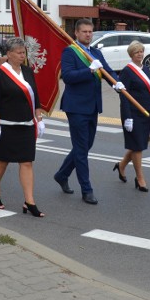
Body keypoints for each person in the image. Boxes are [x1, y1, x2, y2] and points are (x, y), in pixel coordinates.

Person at [53, 18, 123, 205]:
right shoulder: (70, 52)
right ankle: (87, 189)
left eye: (90, 31)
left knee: (84, 146)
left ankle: (62, 174)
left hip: (92, 106)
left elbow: (108, 71)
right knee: (82, 149)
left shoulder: (96, 52)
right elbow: (67, 76)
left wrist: (117, 83)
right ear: (76, 33)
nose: (88, 34)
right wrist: (89, 71)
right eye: (84, 31)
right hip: (75, 107)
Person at [0, 37, 45, 217]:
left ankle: (29, 201)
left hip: (26, 124)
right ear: (9, 54)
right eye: (19, 53)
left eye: (24, 52)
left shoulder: (27, 71)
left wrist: (39, 117)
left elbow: (35, 95)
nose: (23, 55)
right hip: (6, 125)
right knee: (2, 161)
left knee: (26, 162)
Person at [114, 41, 150, 193]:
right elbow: (123, 95)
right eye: (136, 52)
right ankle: (140, 178)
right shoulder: (127, 71)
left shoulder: (145, 68)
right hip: (132, 114)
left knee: (137, 144)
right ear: (131, 54)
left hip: (145, 112)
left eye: (141, 51)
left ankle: (121, 166)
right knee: (138, 146)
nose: (139, 54)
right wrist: (127, 117)